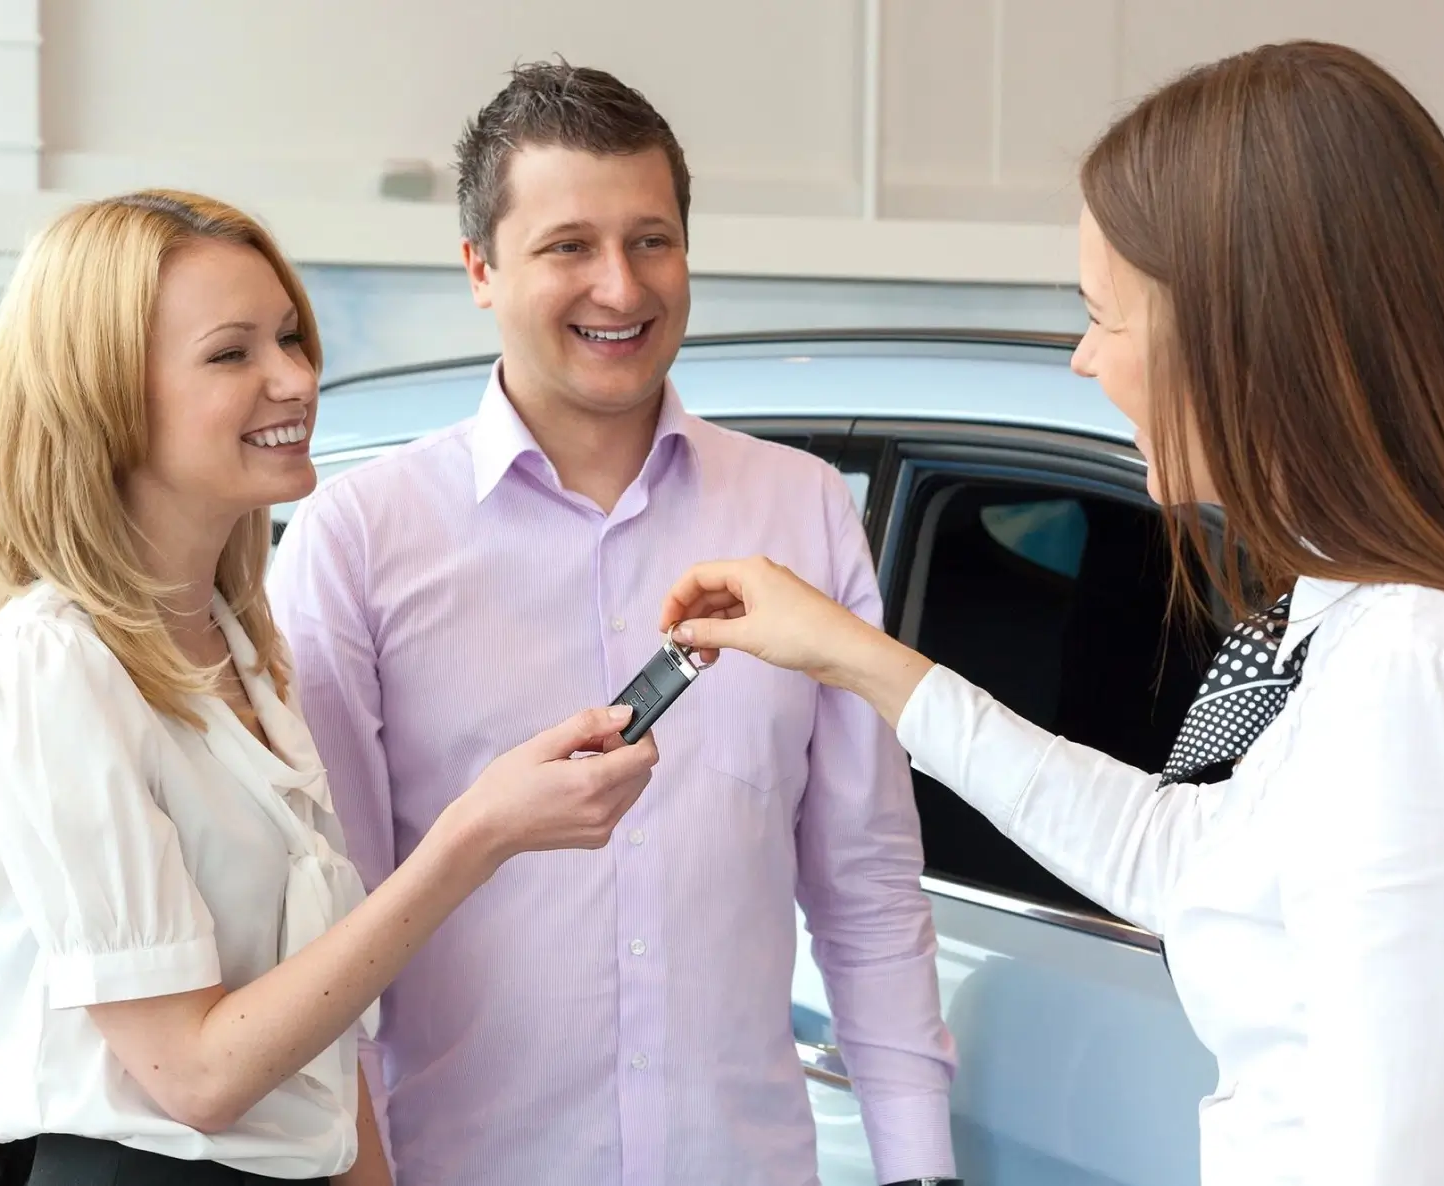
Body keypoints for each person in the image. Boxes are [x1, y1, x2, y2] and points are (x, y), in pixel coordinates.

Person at [659, 40, 1444, 1186]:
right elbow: (1175, 851)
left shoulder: (1423, 672)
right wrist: (853, 656)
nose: (1084, 359)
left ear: (1244, 331)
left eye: (1105, 316)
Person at [267, 63, 958, 1186]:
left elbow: (865, 885)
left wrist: (918, 1170)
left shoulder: (797, 508)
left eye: (651, 239)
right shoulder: (358, 536)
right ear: (479, 270)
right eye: (566, 246)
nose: (619, 286)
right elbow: (326, 932)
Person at [0, 189, 659, 1186]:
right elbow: (193, 1074)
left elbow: (311, 1036)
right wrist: (475, 834)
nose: (295, 378)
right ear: (101, 393)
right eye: (233, 354)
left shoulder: (246, 651)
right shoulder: (50, 665)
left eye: (290, 338)